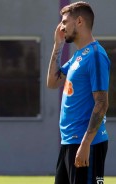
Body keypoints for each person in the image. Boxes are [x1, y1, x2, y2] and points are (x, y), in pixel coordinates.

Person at [47, 2, 110, 184]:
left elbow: (102, 103)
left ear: (80, 21)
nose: (62, 27)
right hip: (68, 142)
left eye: (65, 21)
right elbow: (53, 82)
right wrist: (57, 44)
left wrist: (85, 145)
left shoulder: (96, 56)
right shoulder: (78, 56)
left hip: (87, 145)